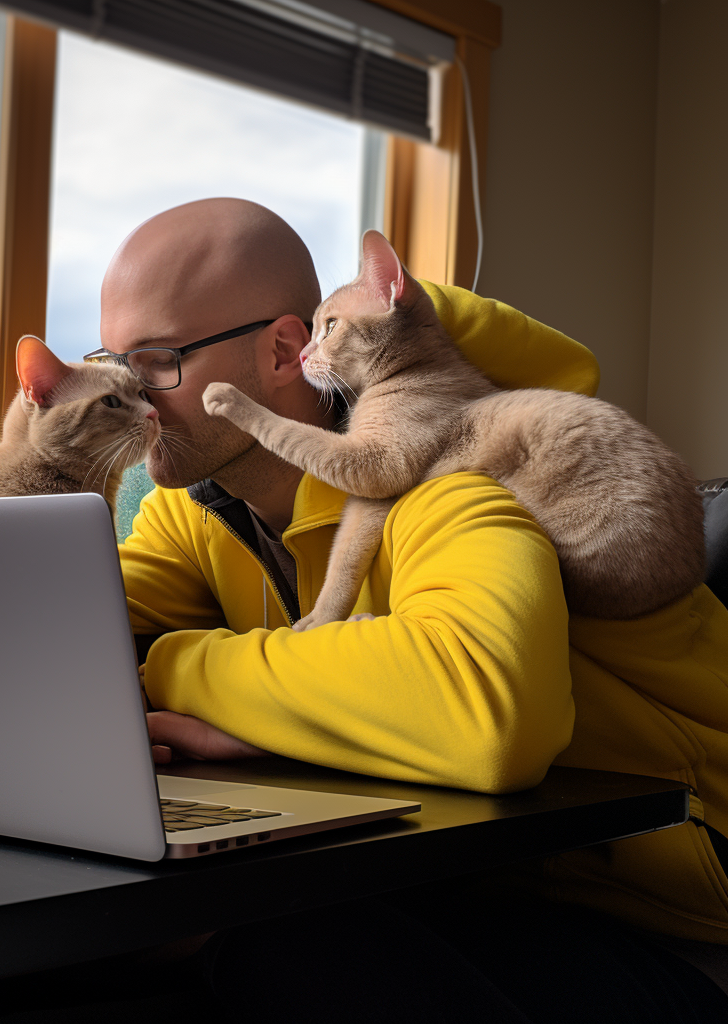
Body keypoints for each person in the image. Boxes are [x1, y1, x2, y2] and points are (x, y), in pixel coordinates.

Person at [93, 197, 728, 1021]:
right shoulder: (197, 505)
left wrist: (188, 670)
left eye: (155, 362)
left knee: (277, 948)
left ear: (287, 348)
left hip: (674, 903)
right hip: (481, 875)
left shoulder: (456, 464)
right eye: (112, 360)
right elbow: (80, 640)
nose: (129, 397)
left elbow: (487, 718)